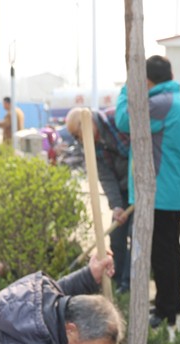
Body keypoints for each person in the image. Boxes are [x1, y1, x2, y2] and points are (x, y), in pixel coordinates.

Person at [115, 55, 180, 328]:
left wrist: (128, 88)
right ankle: (174, 300)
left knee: (160, 255)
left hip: (158, 192)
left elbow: (125, 121)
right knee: (171, 249)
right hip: (174, 191)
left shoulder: (160, 105)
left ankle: (165, 312)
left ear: (147, 80)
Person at [66, 106, 133, 293]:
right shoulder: (90, 145)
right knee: (117, 236)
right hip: (121, 190)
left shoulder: (116, 120)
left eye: (80, 135)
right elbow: (105, 176)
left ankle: (129, 284)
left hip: (138, 187)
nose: (81, 140)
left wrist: (137, 188)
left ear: (88, 124)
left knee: (136, 237)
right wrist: (117, 206)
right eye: (77, 138)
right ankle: (118, 278)